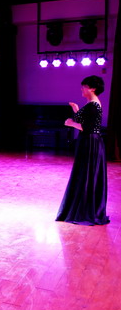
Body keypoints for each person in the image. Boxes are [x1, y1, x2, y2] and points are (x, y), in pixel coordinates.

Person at [56, 75, 109, 225]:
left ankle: (84, 210)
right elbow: (84, 121)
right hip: (90, 141)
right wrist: (76, 110)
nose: (82, 88)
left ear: (92, 88)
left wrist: (70, 123)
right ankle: (83, 207)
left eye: (84, 86)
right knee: (84, 174)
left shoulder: (93, 104)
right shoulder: (92, 103)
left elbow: (87, 127)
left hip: (90, 142)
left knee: (85, 175)